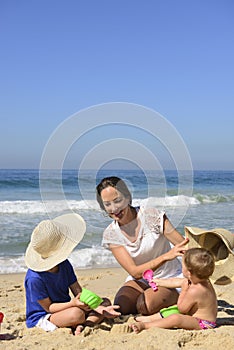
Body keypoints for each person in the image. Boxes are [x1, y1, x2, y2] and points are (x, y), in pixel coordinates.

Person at [96, 176, 189, 316]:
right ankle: (153, 295)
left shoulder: (151, 216)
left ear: (127, 198)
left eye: (117, 201)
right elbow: (135, 272)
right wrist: (166, 257)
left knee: (144, 306)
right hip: (141, 280)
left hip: (169, 277)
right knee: (122, 307)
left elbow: (183, 245)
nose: (114, 208)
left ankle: (175, 297)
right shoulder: (111, 234)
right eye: (107, 204)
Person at [24, 213, 120, 335]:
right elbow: (49, 307)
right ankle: (82, 322)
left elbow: (78, 291)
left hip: (67, 307)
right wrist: (72, 303)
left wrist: (97, 307)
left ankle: (85, 325)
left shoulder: (64, 264)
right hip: (44, 315)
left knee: (105, 302)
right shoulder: (34, 278)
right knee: (76, 314)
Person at [131, 247, 217, 333]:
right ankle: (150, 319)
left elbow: (182, 308)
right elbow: (175, 281)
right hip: (194, 316)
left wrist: (183, 290)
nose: (181, 267)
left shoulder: (195, 290)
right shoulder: (201, 279)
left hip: (203, 323)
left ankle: (146, 325)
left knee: (176, 318)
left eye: (182, 266)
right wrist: (159, 282)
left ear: (189, 273)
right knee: (172, 309)